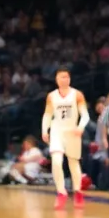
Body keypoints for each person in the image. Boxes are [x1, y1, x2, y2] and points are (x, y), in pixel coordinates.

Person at [41, 69, 89, 209]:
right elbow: (48, 115)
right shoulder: (51, 96)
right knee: (56, 161)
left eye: (67, 77)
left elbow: (85, 115)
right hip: (57, 131)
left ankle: (78, 191)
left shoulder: (77, 94)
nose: (65, 79)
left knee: (73, 163)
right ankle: (61, 192)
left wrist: (80, 127)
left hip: (72, 131)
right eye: (62, 77)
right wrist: (45, 129)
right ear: (56, 80)